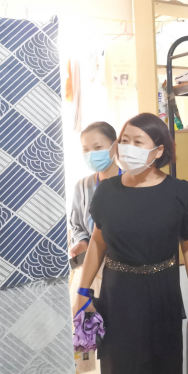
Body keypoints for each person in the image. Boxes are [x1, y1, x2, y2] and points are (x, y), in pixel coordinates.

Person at [72, 113, 188, 374]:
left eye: (137, 142)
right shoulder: (107, 191)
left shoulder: (179, 192)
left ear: (158, 151)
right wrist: (82, 291)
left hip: (163, 296)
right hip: (118, 297)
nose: (128, 147)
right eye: (124, 140)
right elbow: (98, 242)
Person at [69, 122, 121, 299]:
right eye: (86, 149)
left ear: (115, 146)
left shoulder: (132, 183)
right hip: (90, 269)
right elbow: (76, 224)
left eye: (98, 147)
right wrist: (82, 241)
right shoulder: (82, 186)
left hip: (122, 270)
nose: (91, 154)